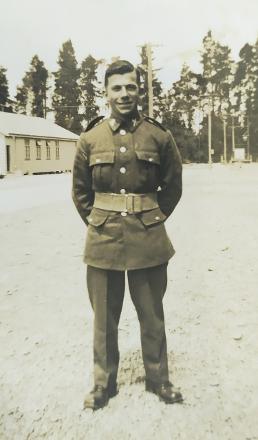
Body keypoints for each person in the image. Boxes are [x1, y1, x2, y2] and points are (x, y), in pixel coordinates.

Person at [72, 59, 183, 410]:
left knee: (152, 312)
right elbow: (80, 192)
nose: (124, 94)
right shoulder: (90, 137)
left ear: (140, 90)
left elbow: (173, 186)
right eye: (117, 87)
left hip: (147, 237)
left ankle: (158, 379)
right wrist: (98, 222)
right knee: (104, 316)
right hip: (103, 239)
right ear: (105, 93)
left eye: (131, 86)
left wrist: (151, 216)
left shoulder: (158, 136)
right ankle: (103, 385)